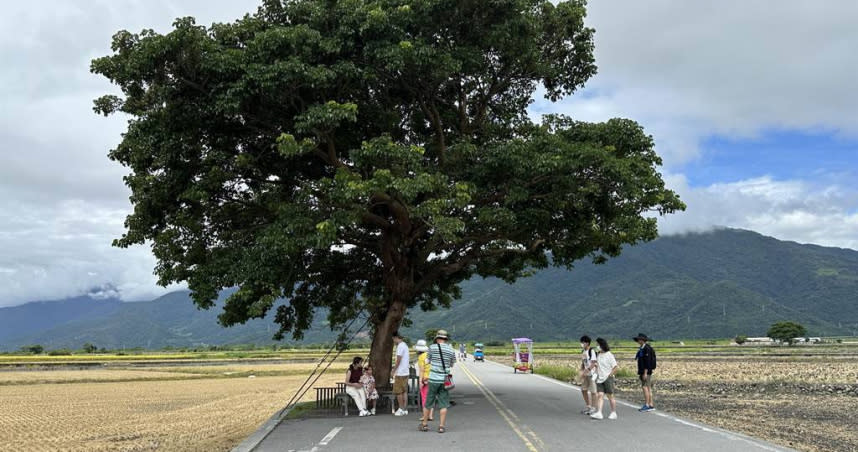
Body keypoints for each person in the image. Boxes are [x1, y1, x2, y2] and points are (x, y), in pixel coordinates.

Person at [420, 329, 456, 433]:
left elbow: (427, 361)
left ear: (437, 338)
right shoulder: (451, 350)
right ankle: (441, 426)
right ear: (446, 339)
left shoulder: (432, 347)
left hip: (433, 379)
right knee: (443, 404)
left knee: (428, 403)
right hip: (444, 381)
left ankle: (425, 424)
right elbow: (452, 364)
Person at [590, 338, 618, 420]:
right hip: (599, 378)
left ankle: (613, 412)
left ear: (602, 345)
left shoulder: (609, 355)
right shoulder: (598, 355)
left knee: (610, 396)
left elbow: (615, 367)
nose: (597, 346)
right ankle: (599, 413)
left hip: (607, 378)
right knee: (600, 395)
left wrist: (610, 375)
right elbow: (598, 365)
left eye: (598, 345)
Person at [634, 333, 656, 412]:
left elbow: (647, 361)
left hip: (645, 371)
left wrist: (645, 373)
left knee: (645, 387)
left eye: (639, 339)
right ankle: (651, 404)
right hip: (644, 371)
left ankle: (647, 404)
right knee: (648, 387)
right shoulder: (643, 348)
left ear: (642, 340)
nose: (638, 341)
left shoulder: (646, 349)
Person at [578, 335, 598, 415]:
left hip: (592, 374)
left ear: (587, 343)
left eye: (583, 342)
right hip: (585, 374)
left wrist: (587, 371)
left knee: (593, 391)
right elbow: (583, 362)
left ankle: (593, 408)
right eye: (581, 342)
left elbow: (593, 363)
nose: (582, 344)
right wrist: (581, 370)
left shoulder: (591, 351)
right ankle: (588, 406)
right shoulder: (583, 351)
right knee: (583, 390)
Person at [414, 339, 434, 423]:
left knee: (424, 397)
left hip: (425, 379)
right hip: (432, 378)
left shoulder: (421, 357)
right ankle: (431, 415)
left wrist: (420, 382)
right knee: (431, 397)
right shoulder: (430, 355)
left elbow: (421, 370)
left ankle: (425, 415)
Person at [391, 331, 410, 416]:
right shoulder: (405, 345)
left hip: (400, 372)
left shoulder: (400, 346)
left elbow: (398, 360)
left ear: (395, 338)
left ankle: (401, 409)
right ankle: (405, 409)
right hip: (406, 371)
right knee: (404, 391)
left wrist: (393, 370)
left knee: (398, 391)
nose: (393, 341)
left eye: (393, 339)